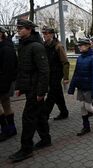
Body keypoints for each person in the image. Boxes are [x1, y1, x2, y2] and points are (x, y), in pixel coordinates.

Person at [9, 19, 50, 162]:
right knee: (38, 115)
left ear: (29, 29)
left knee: (28, 118)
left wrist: (41, 92)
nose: (18, 30)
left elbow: (44, 71)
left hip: (36, 89)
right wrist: (20, 87)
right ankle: (45, 139)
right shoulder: (23, 45)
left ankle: (26, 149)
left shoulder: (36, 46)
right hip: (29, 87)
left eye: (21, 28)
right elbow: (23, 69)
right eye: (18, 28)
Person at [68, 38, 93, 136]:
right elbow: (76, 74)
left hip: (89, 87)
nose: (79, 47)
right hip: (81, 86)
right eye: (79, 45)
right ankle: (86, 127)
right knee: (82, 107)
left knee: (88, 107)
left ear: (87, 46)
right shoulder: (80, 58)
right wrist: (72, 87)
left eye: (81, 45)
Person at [42, 26, 70, 120]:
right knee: (58, 94)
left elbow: (65, 62)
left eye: (46, 33)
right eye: (44, 34)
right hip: (49, 74)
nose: (44, 35)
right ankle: (64, 112)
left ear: (52, 34)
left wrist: (66, 77)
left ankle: (44, 115)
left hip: (57, 74)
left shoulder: (58, 46)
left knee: (51, 95)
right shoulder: (44, 45)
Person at [0, 27, 18, 142]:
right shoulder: (4, 46)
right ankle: (10, 129)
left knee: (6, 104)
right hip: (4, 81)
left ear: (1, 34)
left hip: (4, 82)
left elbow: (9, 69)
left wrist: (5, 85)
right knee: (6, 105)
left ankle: (7, 129)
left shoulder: (6, 48)